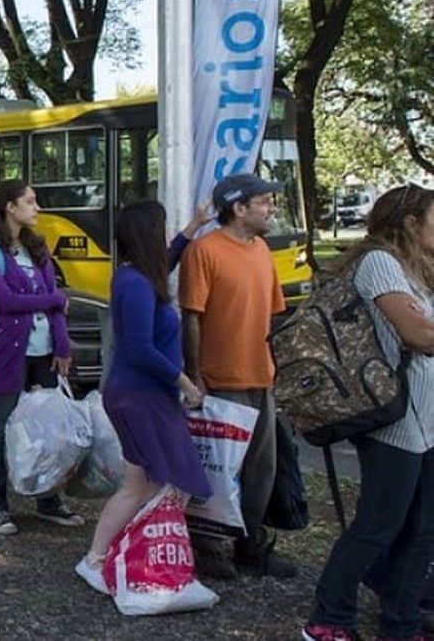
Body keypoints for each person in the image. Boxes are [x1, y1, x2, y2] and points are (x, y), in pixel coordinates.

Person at [301, 185, 434, 641]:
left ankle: (401, 621)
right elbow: (419, 335)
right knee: (378, 525)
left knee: (422, 528)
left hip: (427, 422)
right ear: (411, 223)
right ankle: (328, 618)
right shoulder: (379, 264)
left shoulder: (416, 271)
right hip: (396, 422)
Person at [74, 200, 212, 593]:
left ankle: (108, 555)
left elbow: (164, 262)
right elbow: (138, 348)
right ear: (150, 235)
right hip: (140, 396)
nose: (168, 236)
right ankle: (98, 558)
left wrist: (191, 228)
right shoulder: (135, 284)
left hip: (139, 394)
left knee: (142, 482)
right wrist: (184, 382)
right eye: (164, 229)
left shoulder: (134, 277)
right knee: (149, 482)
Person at [179, 173, 295, 579]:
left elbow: (273, 314)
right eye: (264, 202)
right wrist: (194, 374)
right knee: (217, 467)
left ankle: (252, 546)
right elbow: (192, 316)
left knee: (262, 467)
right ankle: (209, 547)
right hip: (220, 377)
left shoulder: (262, 249)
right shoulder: (204, 251)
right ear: (239, 208)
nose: (272, 209)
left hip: (260, 374)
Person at [0, 179, 82, 535]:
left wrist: (63, 345)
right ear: (9, 207)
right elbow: (5, 300)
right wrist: (52, 301)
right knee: (2, 425)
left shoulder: (38, 248)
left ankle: (48, 498)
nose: (37, 208)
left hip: (46, 350)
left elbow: (56, 301)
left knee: (49, 427)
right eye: (30, 201)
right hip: (9, 352)